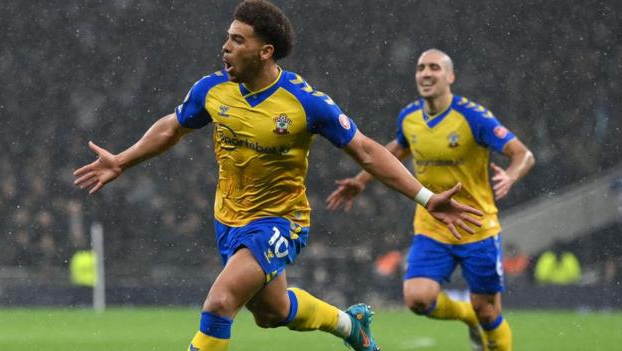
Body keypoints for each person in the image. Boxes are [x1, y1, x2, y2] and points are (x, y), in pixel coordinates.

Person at [73, 3, 483, 350]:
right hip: (228, 220)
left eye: (238, 40)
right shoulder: (212, 91)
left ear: (265, 51)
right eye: (227, 37)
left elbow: (367, 151)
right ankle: (349, 326)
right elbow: (172, 126)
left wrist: (427, 198)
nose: (226, 46)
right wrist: (121, 161)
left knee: (219, 304)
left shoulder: (305, 102)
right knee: (272, 313)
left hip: (280, 222)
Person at [326, 49, 535, 351]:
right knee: (417, 299)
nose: (425, 73)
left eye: (434, 68)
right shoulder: (409, 117)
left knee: (488, 310)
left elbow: (523, 154)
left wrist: (511, 176)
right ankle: (467, 316)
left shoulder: (472, 116)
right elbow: (395, 152)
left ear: (450, 76)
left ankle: (479, 321)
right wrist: (360, 181)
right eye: (421, 68)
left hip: (476, 225)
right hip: (431, 223)